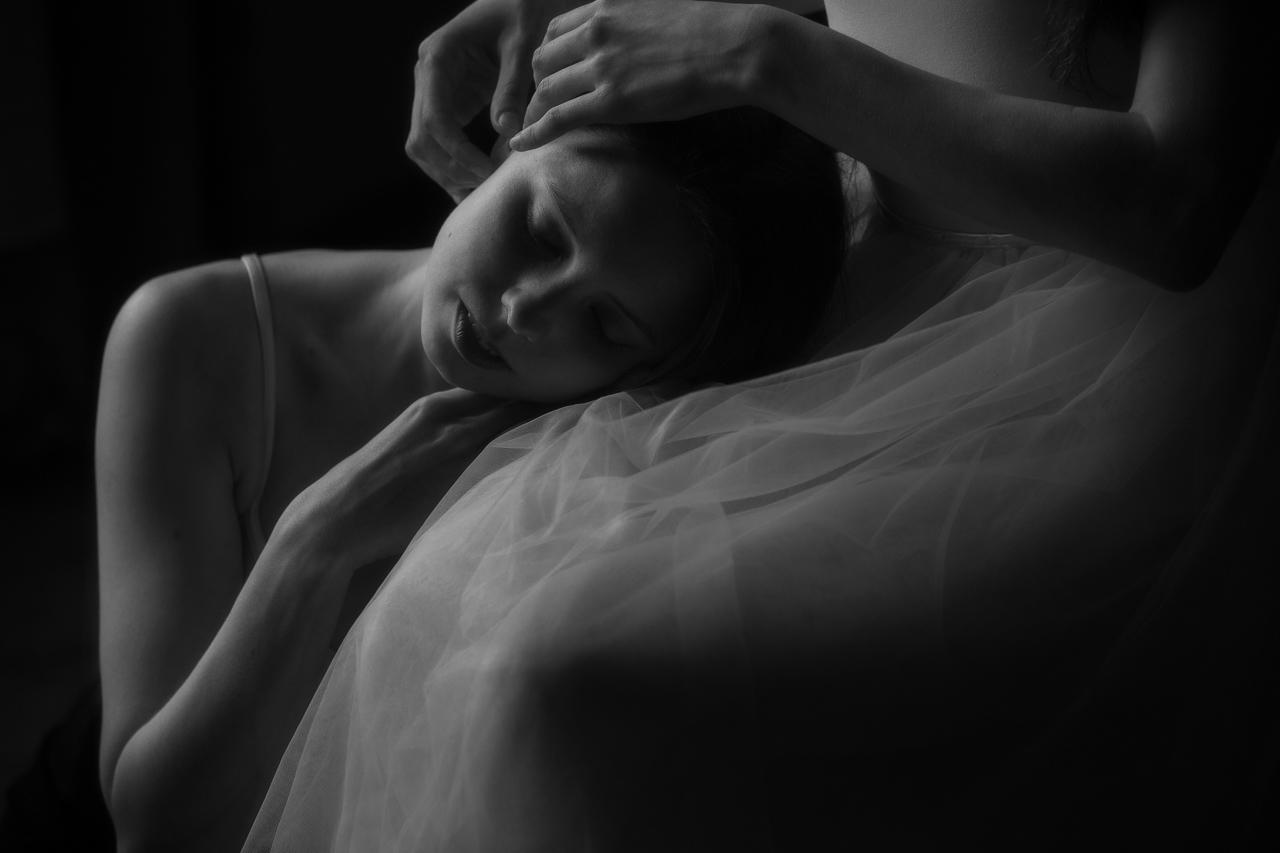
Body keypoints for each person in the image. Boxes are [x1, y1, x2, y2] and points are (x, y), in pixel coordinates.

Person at [238, 0, 1280, 850]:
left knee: (559, 674)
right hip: (864, 274)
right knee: (462, 594)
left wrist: (767, 54)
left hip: (1096, 352)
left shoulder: (785, 67)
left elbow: (1176, 203)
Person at [95, 107, 847, 853]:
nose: (524, 309)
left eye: (605, 324)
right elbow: (151, 827)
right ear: (513, 139)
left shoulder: (618, 472)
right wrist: (316, 539)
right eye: (543, 232)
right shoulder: (197, 334)